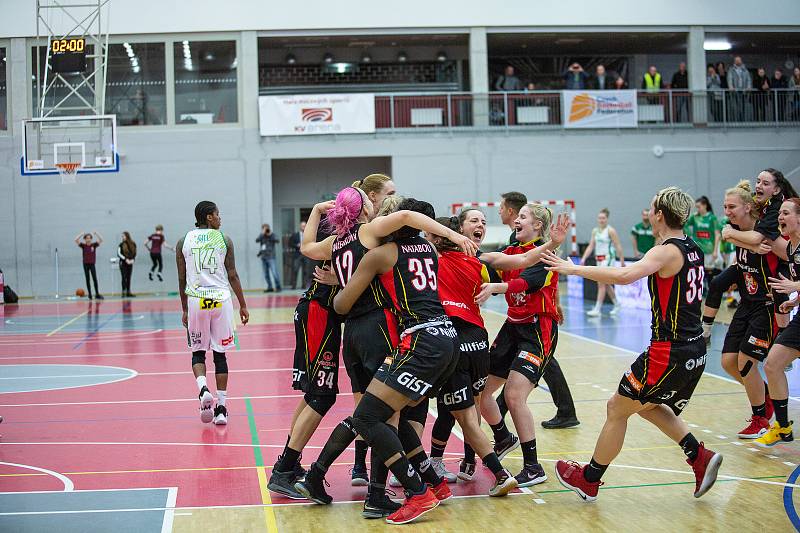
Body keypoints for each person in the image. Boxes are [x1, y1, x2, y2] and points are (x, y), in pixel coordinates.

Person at [294, 188, 476, 514]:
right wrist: (452, 234)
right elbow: (405, 220)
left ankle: (330, 475)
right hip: (388, 329)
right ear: (367, 210)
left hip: (354, 333)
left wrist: (319, 215)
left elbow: (307, 248)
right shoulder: (384, 241)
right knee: (385, 416)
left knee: (375, 413)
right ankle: (388, 490)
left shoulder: (338, 243)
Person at [544, 186, 722, 502]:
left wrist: (572, 268)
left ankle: (589, 479)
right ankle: (698, 455)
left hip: (669, 350)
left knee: (617, 407)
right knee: (647, 405)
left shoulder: (666, 250)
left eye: (652, 210)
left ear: (659, 215)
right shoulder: (692, 247)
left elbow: (625, 274)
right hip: (694, 349)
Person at [477, 204, 563, 487]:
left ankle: (533, 466)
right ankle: (503, 437)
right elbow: (495, 264)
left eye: (523, 216)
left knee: (514, 396)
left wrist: (497, 288)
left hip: (538, 329)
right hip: (513, 326)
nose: (516, 219)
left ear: (538, 225)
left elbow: (525, 283)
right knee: (481, 390)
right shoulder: (513, 249)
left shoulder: (546, 255)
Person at [268, 226, 341, 499]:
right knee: (322, 396)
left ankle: (288, 463)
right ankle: (284, 469)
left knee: (315, 393)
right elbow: (307, 246)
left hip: (318, 312)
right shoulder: (348, 238)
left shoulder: (353, 236)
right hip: (318, 313)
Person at [705, 181, 780, 439]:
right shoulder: (736, 230)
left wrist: (744, 240)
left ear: (748, 207)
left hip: (767, 306)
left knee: (746, 362)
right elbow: (733, 238)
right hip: (747, 304)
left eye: (732, 206)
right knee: (727, 362)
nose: (727, 211)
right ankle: (767, 396)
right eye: (725, 206)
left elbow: (765, 245)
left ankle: (761, 417)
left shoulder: (764, 231)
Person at [176, 201, 249, 426]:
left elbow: (181, 279)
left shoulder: (183, 241)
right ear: (208, 217)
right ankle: (221, 409)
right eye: (217, 214)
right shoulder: (224, 239)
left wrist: (185, 308)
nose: (220, 218)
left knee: (198, 353)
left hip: (197, 300)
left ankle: (202, 389)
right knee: (220, 356)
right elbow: (233, 274)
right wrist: (243, 304)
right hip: (220, 301)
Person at [754, 198, 800, 446]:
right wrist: (794, 301)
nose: (780, 217)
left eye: (785, 213)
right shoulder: (791, 248)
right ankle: (782, 427)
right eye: (779, 213)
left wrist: (795, 287)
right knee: (772, 364)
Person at [581, 208, 624, 316]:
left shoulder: (610, 231)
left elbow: (618, 245)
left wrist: (622, 260)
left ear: (607, 219)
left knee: (601, 282)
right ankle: (617, 303)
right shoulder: (595, 231)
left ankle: (597, 308)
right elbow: (591, 246)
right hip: (598, 259)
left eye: (603, 218)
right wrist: (583, 258)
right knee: (606, 283)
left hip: (608, 258)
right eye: (600, 218)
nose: (601, 220)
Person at [684, 196, 721, 288]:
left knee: (709, 270)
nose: (697, 209)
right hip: (697, 249)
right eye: (696, 207)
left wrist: (715, 250)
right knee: (698, 269)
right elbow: (684, 224)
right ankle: (700, 289)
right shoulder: (695, 217)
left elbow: (717, 235)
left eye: (699, 207)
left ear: (705, 206)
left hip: (709, 248)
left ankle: (710, 289)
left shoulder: (712, 218)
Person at [75, 231, 104, 299]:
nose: (88, 239)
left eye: (90, 238)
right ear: (85, 239)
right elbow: (76, 240)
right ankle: (90, 294)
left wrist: (96, 234)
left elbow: (101, 239)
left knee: (94, 279)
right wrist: (81, 234)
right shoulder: (83, 245)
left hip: (92, 264)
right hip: (85, 264)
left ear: (91, 239)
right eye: (87, 238)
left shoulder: (94, 245)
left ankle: (97, 294)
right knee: (87, 279)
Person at [256, 223, 281, 292]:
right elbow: (257, 240)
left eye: (267, 228)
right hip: (263, 257)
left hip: (271, 257)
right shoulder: (262, 236)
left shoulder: (272, 235)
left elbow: (277, 240)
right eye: (264, 228)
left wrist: (270, 235)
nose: (266, 230)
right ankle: (270, 287)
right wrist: (262, 233)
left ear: (269, 228)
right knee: (266, 274)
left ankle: (278, 287)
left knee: (274, 273)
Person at [729, 56, 752, 122]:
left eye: (739, 60)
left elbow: (748, 80)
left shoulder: (745, 70)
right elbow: (730, 79)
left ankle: (743, 121)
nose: (738, 61)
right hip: (735, 91)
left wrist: (749, 87)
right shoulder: (731, 70)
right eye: (736, 60)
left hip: (743, 91)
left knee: (743, 107)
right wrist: (731, 86)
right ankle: (736, 121)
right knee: (735, 107)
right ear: (734, 61)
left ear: (741, 61)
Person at [117, 232, 137, 297]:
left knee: (129, 277)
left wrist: (133, 260)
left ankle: (128, 292)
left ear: (127, 236)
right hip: (123, 263)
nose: (122, 237)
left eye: (123, 236)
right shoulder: (121, 244)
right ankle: (123, 292)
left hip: (130, 263)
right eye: (122, 236)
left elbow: (135, 253)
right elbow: (119, 254)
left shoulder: (133, 244)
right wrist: (126, 259)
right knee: (124, 277)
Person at [287, 222, 306, 289]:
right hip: (297, 254)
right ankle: (293, 286)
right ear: (300, 226)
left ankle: (304, 286)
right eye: (302, 226)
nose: (303, 227)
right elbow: (290, 243)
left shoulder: (308, 235)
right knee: (295, 270)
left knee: (305, 271)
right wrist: (296, 245)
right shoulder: (295, 235)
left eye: (304, 226)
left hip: (306, 255)